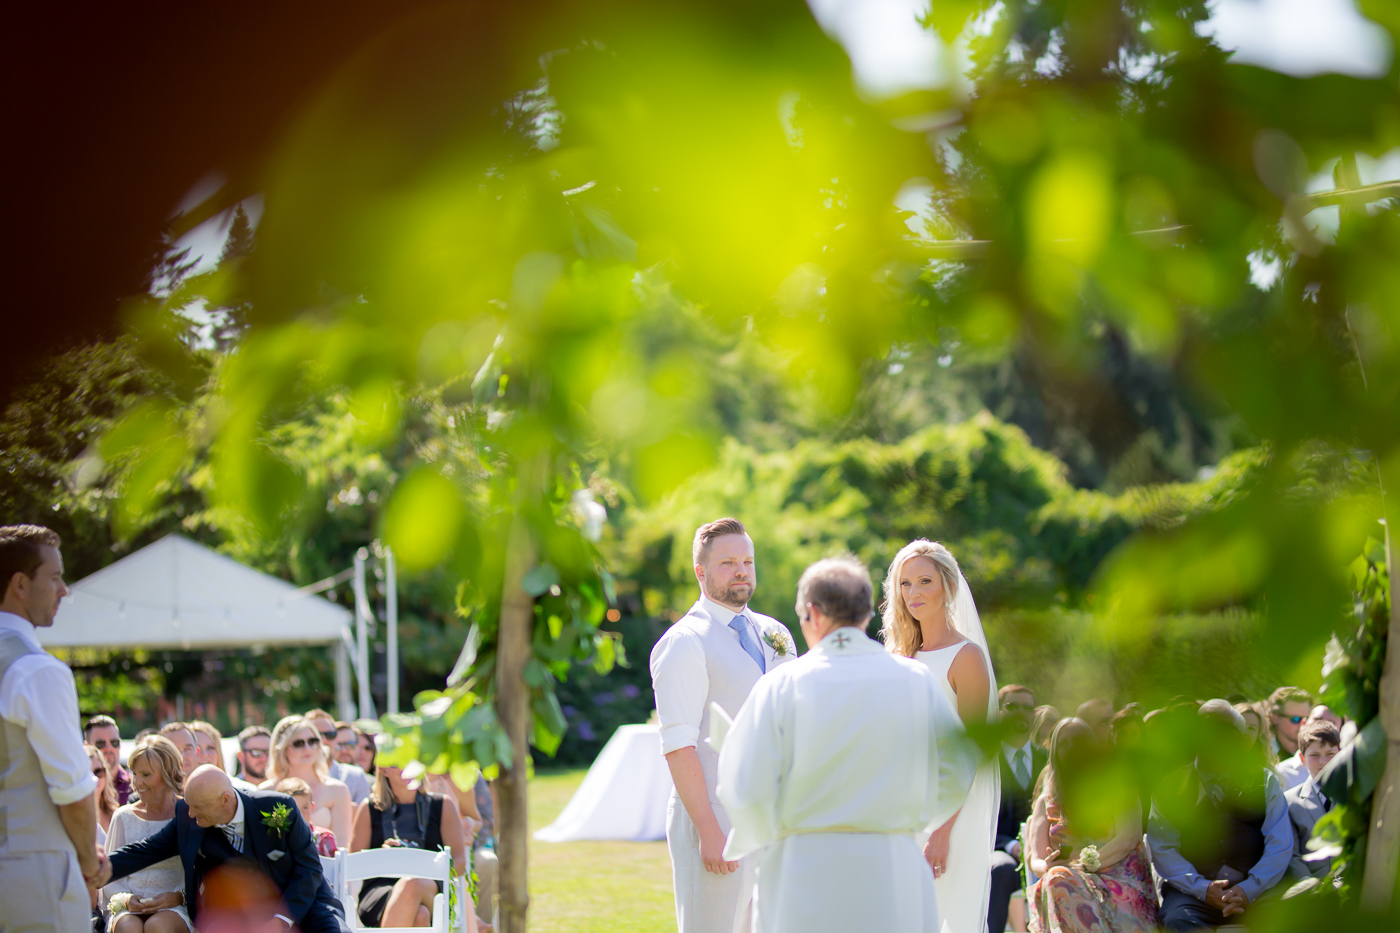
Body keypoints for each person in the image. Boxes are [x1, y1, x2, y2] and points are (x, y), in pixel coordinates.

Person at [717, 556, 974, 933]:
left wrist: (763, 832)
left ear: (814, 613)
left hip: (804, 866)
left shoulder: (783, 684)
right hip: (891, 864)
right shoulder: (914, 680)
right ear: (866, 614)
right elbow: (957, 765)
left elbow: (743, 783)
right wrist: (910, 817)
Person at [650, 517, 796, 933]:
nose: (741, 572)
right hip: (715, 817)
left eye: (748, 562)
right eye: (728, 562)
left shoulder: (774, 632)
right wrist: (709, 831)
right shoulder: (686, 642)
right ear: (700, 571)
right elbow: (679, 744)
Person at [881, 539, 998, 933]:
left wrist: (942, 831)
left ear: (948, 587)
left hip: (945, 814)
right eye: (905, 584)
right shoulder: (899, 657)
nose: (913, 593)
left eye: (924, 581)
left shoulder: (965, 658)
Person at [0, 523, 107, 933]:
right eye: (56, 577)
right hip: (32, 882)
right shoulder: (37, 670)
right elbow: (72, 790)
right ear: (21, 584)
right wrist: (88, 860)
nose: (64, 590)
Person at [99, 764, 351, 933]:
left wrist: (281, 920)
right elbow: (146, 850)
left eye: (198, 807)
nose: (190, 813)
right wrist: (95, 867)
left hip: (305, 903)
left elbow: (309, 869)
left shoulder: (278, 808)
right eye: (188, 805)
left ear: (225, 800)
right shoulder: (191, 820)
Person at [1148, 700, 1292, 930]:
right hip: (1193, 897)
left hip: (1257, 892)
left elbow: (1280, 844)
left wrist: (1249, 888)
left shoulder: (1264, 781)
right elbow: (1163, 849)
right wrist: (1202, 888)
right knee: (1178, 920)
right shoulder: (1170, 787)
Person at [1025, 719, 1158, 933]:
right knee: (1057, 880)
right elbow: (1036, 859)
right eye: (1064, 744)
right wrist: (1048, 865)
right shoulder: (1046, 800)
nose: (1071, 749)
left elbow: (1128, 839)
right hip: (1066, 881)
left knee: (1058, 883)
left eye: (1078, 741)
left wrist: (1083, 865)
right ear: (1055, 753)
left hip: (1119, 879)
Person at [349, 763, 473, 930]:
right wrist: (382, 856)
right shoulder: (369, 808)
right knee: (420, 916)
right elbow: (354, 865)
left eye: (409, 761)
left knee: (412, 884)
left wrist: (419, 863)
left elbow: (459, 863)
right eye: (396, 764)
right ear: (383, 770)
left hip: (431, 888)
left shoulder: (442, 804)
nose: (405, 768)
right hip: (381, 890)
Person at [101, 736, 191, 933]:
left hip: (175, 904)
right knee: (128, 927)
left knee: (157, 926)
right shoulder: (123, 817)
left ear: (168, 774)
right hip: (129, 907)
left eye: (146, 774)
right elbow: (111, 875)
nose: (137, 782)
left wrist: (177, 897)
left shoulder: (189, 814)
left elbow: (199, 873)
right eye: (134, 774)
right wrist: (126, 899)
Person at [990, 684, 1046, 933]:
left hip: (1044, 851)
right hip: (997, 848)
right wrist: (1010, 846)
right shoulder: (985, 762)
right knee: (1001, 869)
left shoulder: (1049, 759)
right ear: (998, 711)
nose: (1020, 713)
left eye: (1027, 708)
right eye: (1012, 706)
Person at [263, 714, 354, 845]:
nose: (307, 748)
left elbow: (342, 847)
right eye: (298, 743)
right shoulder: (266, 791)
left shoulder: (338, 790)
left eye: (313, 741)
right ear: (282, 748)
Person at [1285, 720, 1341, 881]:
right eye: (1314, 756)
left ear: (1340, 753)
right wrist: (1310, 887)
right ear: (1302, 758)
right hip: (1314, 889)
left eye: (1330, 754)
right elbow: (1292, 854)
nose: (1323, 762)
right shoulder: (1289, 801)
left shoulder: (1355, 794)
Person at [305, 708, 372, 805]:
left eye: (329, 735)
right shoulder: (293, 777)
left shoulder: (355, 776)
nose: (324, 740)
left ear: (336, 739)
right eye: (317, 735)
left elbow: (363, 817)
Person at [277, 777, 338, 856]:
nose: (300, 814)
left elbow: (334, 866)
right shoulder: (274, 838)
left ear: (312, 807)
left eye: (305, 808)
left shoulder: (323, 838)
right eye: (292, 809)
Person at [1267, 687, 1312, 791]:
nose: (1303, 724)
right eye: (1295, 719)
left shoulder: (1319, 753)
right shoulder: (1264, 755)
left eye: (1307, 718)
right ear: (1275, 718)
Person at [87, 714, 137, 805]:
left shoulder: (135, 786)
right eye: (100, 743)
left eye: (114, 742)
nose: (109, 748)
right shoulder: (79, 786)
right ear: (87, 746)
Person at [88, 742, 120, 840]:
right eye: (87, 773)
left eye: (98, 772)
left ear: (106, 773)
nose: (94, 778)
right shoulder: (70, 815)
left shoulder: (116, 814)